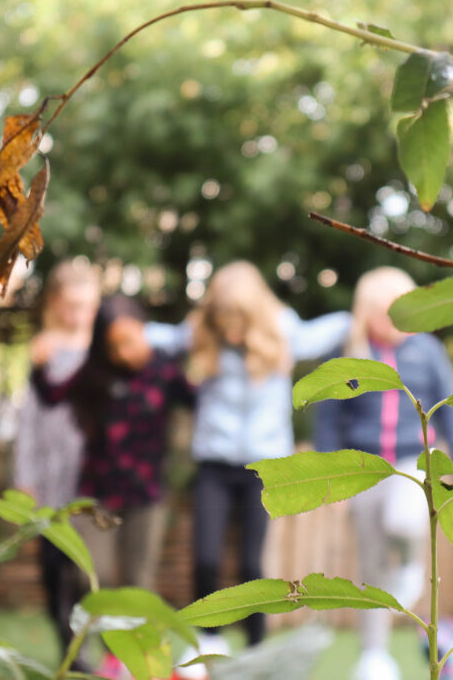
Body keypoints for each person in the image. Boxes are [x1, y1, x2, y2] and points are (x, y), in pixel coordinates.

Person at [144, 260, 351, 671]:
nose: (231, 330)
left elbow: (326, 332)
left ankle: (256, 647)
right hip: (214, 462)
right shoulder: (201, 331)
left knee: (251, 565)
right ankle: (207, 639)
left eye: (238, 320)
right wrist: (128, 330)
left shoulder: (282, 328)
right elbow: (162, 337)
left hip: (263, 468)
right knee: (205, 557)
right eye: (224, 320)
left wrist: (359, 317)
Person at [314, 267, 453, 680]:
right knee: (370, 564)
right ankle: (373, 656)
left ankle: (408, 566)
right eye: (386, 314)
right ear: (366, 314)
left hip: (413, 462)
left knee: (405, 521)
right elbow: (328, 419)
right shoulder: (349, 353)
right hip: (363, 470)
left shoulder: (428, 351)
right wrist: (328, 482)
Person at [30, 293, 195, 678]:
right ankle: (111, 653)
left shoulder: (165, 370)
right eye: (114, 345)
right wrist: (37, 366)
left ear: (145, 330)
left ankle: (136, 660)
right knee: (92, 575)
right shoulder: (94, 374)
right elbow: (51, 395)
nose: (124, 352)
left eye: (130, 340)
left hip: (147, 495)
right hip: (97, 494)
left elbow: (199, 399)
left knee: (139, 583)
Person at [13, 259, 100, 673]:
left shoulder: (104, 349)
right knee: (53, 570)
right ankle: (70, 649)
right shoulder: (43, 349)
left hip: (93, 482)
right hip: (50, 481)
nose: (79, 315)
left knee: (87, 570)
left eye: (87, 306)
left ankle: (86, 646)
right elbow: (28, 421)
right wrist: (25, 478)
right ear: (55, 304)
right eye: (71, 305)